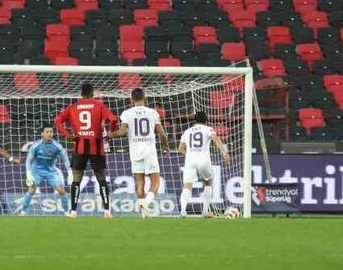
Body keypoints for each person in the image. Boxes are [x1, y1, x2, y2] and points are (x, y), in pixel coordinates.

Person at [54, 82, 118, 219]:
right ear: (92, 93)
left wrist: (68, 135)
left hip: (79, 145)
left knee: (77, 177)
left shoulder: (73, 107)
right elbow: (113, 119)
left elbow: (57, 120)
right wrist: (110, 134)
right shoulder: (99, 105)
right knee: (101, 177)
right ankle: (107, 211)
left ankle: (73, 212)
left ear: (81, 94)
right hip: (97, 145)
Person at [114, 87, 171, 218]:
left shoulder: (126, 113)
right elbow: (162, 134)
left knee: (139, 186)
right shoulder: (153, 113)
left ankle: (143, 213)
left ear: (131, 99)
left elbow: (122, 132)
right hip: (149, 151)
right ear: (145, 98)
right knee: (155, 183)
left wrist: (110, 135)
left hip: (135, 152)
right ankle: (147, 203)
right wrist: (166, 146)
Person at [178, 111, 230, 217]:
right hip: (204, 160)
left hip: (190, 160)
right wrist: (224, 152)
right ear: (206, 120)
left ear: (195, 120)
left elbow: (180, 149)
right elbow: (216, 139)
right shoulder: (208, 129)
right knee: (208, 182)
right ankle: (205, 211)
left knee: (187, 185)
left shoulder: (187, 131)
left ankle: (183, 210)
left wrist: (189, 154)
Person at [15, 125, 70, 215]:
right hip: (36, 171)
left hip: (51, 171)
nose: (49, 134)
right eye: (47, 132)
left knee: (61, 190)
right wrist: (28, 173)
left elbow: (65, 159)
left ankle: (67, 211)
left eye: (51, 132)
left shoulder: (57, 146)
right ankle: (23, 211)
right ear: (42, 134)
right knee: (32, 190)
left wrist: (70, 172)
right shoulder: (35, 146)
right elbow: (28, 161)